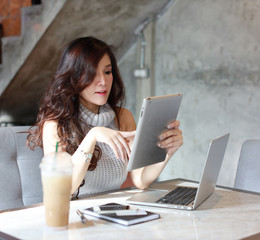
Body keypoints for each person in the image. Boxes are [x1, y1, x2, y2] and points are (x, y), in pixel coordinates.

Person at [27, 36, 183, 198]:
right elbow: (62, 190)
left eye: (107, 72)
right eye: (91, 73)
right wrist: (92, 137)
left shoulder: (123, 117)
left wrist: (167, 151)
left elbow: (140, 180)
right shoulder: (55, 125)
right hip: (74, 215)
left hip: (113, 212)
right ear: (73, 78)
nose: (103, 81)